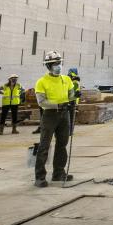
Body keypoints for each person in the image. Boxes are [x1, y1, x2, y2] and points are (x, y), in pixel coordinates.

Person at [34, 51, 75, 187]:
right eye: (56, 63)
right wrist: (57, 105)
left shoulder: (66, 79)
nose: (59, 66)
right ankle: (40, 177)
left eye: (60, 63)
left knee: (62, 144)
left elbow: (71, 95)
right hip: (50, 115)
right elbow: (41, 102)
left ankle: (58, 173)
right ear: (49, 66)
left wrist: (74, 96)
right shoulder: (42, 82)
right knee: (44, 146)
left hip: (64, 115)